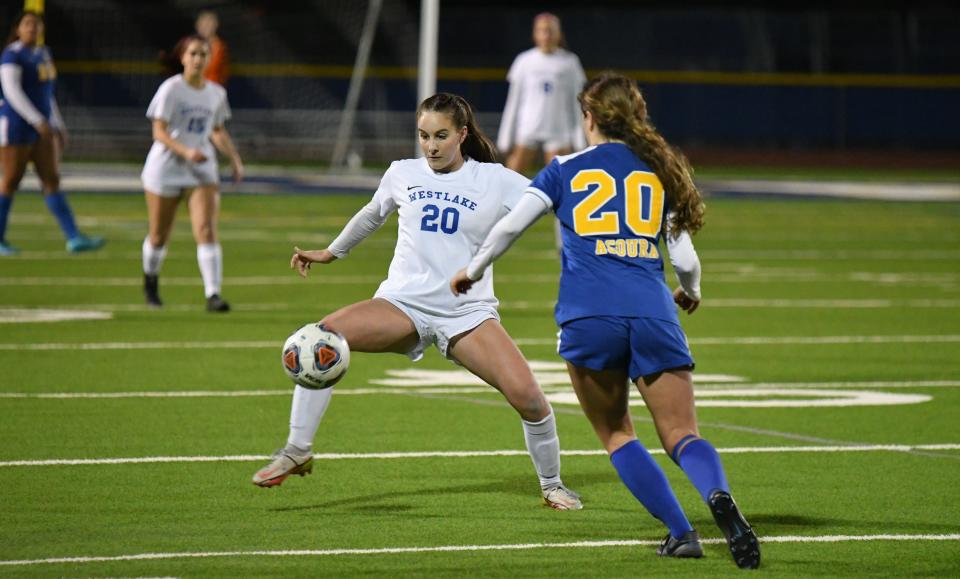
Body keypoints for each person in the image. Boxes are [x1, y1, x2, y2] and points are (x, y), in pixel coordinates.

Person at [451, 73, 761, 568]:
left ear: (590, 118)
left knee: (618, 434)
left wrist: (474, 268)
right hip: (653, 310)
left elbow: (510, 225)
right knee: (684, 435)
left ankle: (683, 533)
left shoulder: (565, 168)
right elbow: (685, 260)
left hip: (589, 314)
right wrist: (692, 293)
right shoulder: (659, 170)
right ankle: (719, 498)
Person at [252, 93, 582, 511]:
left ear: (462, 134)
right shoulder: (402, 172)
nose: (431, 145)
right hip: (402, 304)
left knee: (531, 400)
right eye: (424, 135)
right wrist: (331, 252)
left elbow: (554, 199)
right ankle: (297, 449)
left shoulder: (494, 179)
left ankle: (552, 484)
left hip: (466, 314)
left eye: (441, 135)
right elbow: (373, 214)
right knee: (324, 338)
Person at [140, 34, 243, 311]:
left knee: (206, 229)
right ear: (183, 57)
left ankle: (213, 295)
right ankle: (150, 280)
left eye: (203, 54)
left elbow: (217, 130)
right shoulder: (171, 89)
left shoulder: (216, 93)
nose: (198, 59)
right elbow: (158, 131)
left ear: (209, 58)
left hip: (201, 168)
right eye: (193, 53)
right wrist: (185, 151)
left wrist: (234, 159)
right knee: (159, 236)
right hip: (166, 167)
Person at [0, 10, 105, 256]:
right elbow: (12, 92)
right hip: (16, 126)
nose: (32, 29)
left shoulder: (43, 54)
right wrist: (37, 120)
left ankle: (74, 237)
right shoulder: (11, 55)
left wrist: (57, 124)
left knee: (51, 180)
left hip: (43, 128)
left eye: (36, 25)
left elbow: (48, 95)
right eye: (27, 24)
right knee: (10, 181)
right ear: (17, 29)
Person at [497, 12, 586, 175]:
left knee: (560, 177)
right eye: (541, 30)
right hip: (528, 128)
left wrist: (579, 139)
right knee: (511, 174)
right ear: (535, 33)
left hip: (558, 129)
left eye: (550, 31)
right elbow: (513, 102)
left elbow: (576, 102)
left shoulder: (570, 62)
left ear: (558, 34)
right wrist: (505, 137)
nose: (546, 35)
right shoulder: (524, 61)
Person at [194, 10, 228, 86]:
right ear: (197, 26)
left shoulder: (219, 47)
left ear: (216, 26)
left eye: (209, 24)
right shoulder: (190, 45)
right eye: (203, 24)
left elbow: (210, 68)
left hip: (211, 92)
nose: (205, 27)